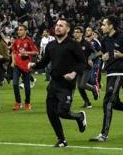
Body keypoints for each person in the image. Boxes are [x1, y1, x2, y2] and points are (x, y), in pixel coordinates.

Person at [29, 19, 87, 148]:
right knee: (51, 113)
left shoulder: (73, 45)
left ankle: (79, 117)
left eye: (61, 26)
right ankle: (61, 139)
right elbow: (44, 62)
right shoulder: (51, 45)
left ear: (68, 29)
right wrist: (34, 65)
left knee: (63, 112)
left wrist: (73, 73)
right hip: (53, 84)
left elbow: (83, 63)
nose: (57, 27)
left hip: (67, 85)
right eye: (56, 25)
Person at [10, 24, 38, 111]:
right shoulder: (16, 41)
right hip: (17, 66)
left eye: (21, 30)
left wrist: (27, 53)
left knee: (27, 86)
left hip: (26, 66)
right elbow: (13, 51)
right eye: (18, 30)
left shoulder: (29, 41)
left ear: (25, 31)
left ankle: (27, 103)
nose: (19, 31)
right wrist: (13, 61)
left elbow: (36, 52)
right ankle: (18, 103)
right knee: (15, 84)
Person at [73, 26, 98, 108]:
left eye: (77, 32)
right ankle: (87, 102)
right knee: (79, 87)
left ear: (81, 33)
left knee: (82, 85)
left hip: (86, 67)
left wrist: (90, 58)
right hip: (77, 67)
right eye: (75, 32)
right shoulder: (73, 44)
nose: (75, 34)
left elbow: (95, 53)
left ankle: (94, 89)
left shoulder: (86, 43)